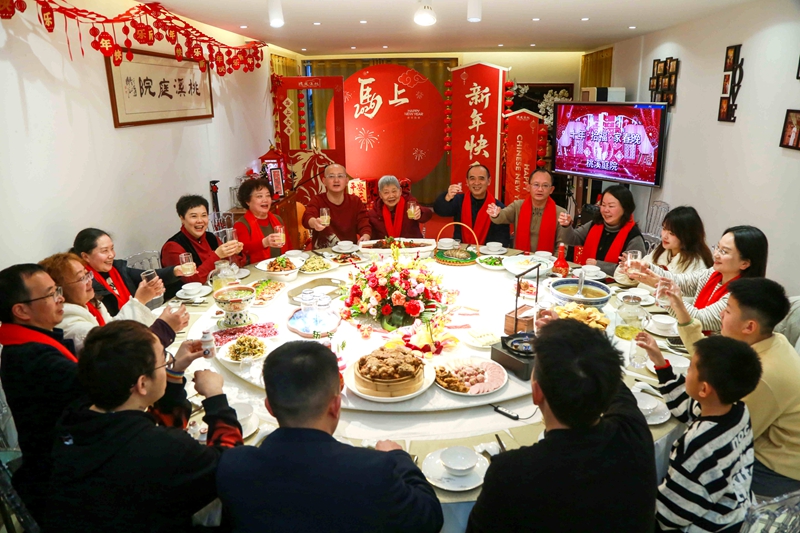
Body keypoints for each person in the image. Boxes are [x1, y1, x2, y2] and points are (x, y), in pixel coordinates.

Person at [216, 340, 443, 533]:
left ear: (269, 408)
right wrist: (399, 458)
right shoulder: (374, 470)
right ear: (335, 405)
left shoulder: (233, 466)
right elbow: (429, 519)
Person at [45, 321, 244, 532]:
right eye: (163, 359)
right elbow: (232, 467)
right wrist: (216, 398)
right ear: (142, 384)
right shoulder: (160, 448)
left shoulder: (76, 417)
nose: (168, 362)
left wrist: (174, 373)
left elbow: (167, 427)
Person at [467, 319, 657, 533]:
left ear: (537, 393)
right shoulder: (634, 430)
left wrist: (563, 339)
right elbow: (614, 384)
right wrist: (568, 338)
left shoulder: (511, 472)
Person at [665, 278, 800, 498]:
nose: (721, 315)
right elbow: (713, 362)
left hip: (775, 469)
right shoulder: (771, 341)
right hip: (763, 440)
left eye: (727, 311)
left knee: (690, 462)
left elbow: (724, 434)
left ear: (749, 326)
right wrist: (681, 311)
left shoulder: (763, 376)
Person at [637, 333, 762, 532]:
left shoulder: (699, 445)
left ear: (704, 389)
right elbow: (686, 406)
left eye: (689, 368)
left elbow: (669, 516)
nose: (686, 373)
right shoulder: (738, 411)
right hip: (736, 513)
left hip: (709, 525)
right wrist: (660, 363)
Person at [0, 264, 80, 519]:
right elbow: (98, 388)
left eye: (57, 290)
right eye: (50, 294)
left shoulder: (28, 342)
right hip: (64, 482)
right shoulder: (32, 357)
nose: (61, 297)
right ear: (21, 310)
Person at [628, 225, 768, 332]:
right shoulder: (714, 273)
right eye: (717, 248)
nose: (716, 254)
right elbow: (682, 282)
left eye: (724, 252)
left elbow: (701, 319)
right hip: (691, 338)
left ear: (745, 263)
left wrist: (665, 292)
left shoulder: (741, 296)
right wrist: (648, 268)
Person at [39, 252, 186, 352]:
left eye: (87, 274)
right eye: (81, 278)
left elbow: (115, 328)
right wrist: (164, 327)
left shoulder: (91, 303)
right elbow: (118, 349)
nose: (90, 280)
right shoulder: (71, 323)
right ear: (61, 289)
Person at [72, 228, 187, 316]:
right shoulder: (87, 287)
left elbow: (146, 275)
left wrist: (175, 270)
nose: (112, 254)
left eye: (112, 248)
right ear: (85, 256)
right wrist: (140, 300)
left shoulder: (117, 269)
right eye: (104, 251)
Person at [614, 206, 713, 291]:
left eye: (672, 233)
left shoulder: (696, 264)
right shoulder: (661, 251)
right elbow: (635, 279)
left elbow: (684, 300)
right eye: (664, 228)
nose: (665, 236)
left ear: (687, 236)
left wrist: (653, 283)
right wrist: (630, 272)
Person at [561, 184, 646, 275]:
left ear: (625, 208)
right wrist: (567, 226)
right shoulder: (596, 224)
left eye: (611, 206)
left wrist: (599, 265)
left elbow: (634, 270)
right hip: (587, 278)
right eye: (603, 205)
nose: (605, 210)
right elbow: (572, 239)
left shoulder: (633, 237)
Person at [161, 194, 245, 284]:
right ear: (182, 218)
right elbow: (192, 282)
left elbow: (234, 267)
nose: (200, 220)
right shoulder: (173, 247)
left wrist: (235, 252)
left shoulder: (211, 237)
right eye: (194, 216)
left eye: (204, 215)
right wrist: (216, 255)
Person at [486, 168, 570, 253]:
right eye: (536, 185)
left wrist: (554, 264)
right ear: (528, 187)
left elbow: (562, 245)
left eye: (545, 185)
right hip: (520, 261)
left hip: (547, 263)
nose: (540, 189)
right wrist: (496, 214)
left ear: (551, 190)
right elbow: (503, 216)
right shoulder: (518, 206)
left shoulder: (560, 213)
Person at [433, 164, 510, 247]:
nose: (476, 183)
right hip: (460, 252)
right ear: (467, 181)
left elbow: (503, 240)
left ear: (489, 181)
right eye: (472, 178)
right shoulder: (459, 200)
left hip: (486, 255)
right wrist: (447, 197)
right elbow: (440, 211)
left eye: (481, 178)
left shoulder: (497, 207)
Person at [302, 163, 371, 249]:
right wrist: (314, 223)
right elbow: (308, 217)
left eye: (340, 176)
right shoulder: (318, 200)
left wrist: (365, 236)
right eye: (331, 176)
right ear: (324, 181)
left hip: (349, 251)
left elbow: (364, 222)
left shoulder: (355, 201)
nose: (336, 180)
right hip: (323, 254)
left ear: (346, 181)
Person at [234, 179, 291, 264]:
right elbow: (244, 249)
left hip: (281, 267)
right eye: (259, 196)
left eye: (268, 196)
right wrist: (264, 242)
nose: (265, 200)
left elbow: (289, 246)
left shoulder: (277, 219)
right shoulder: (241, 224)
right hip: (255, 272)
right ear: (247, 201)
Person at [367, 175, 432, 239]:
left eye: (394, 191)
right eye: (386, 192)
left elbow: (428, 214)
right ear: (380, 195)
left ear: (400, 191)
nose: (391, 196)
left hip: (412, 247)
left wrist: (420, 212)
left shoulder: (409, 203)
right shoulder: (374, 212)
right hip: (387, 248)